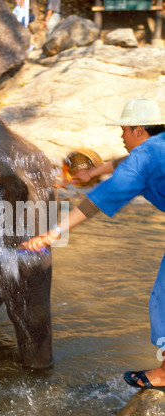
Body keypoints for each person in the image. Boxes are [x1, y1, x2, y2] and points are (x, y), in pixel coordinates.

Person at [21, 97, 165, 391]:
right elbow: (126, 162)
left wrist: (52, 234)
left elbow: (97, 201)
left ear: (138, 130)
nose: (120, 137)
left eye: (124, 130)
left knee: (163, 301)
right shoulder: (157, 146)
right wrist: (94, 171)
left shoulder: (142, 158)